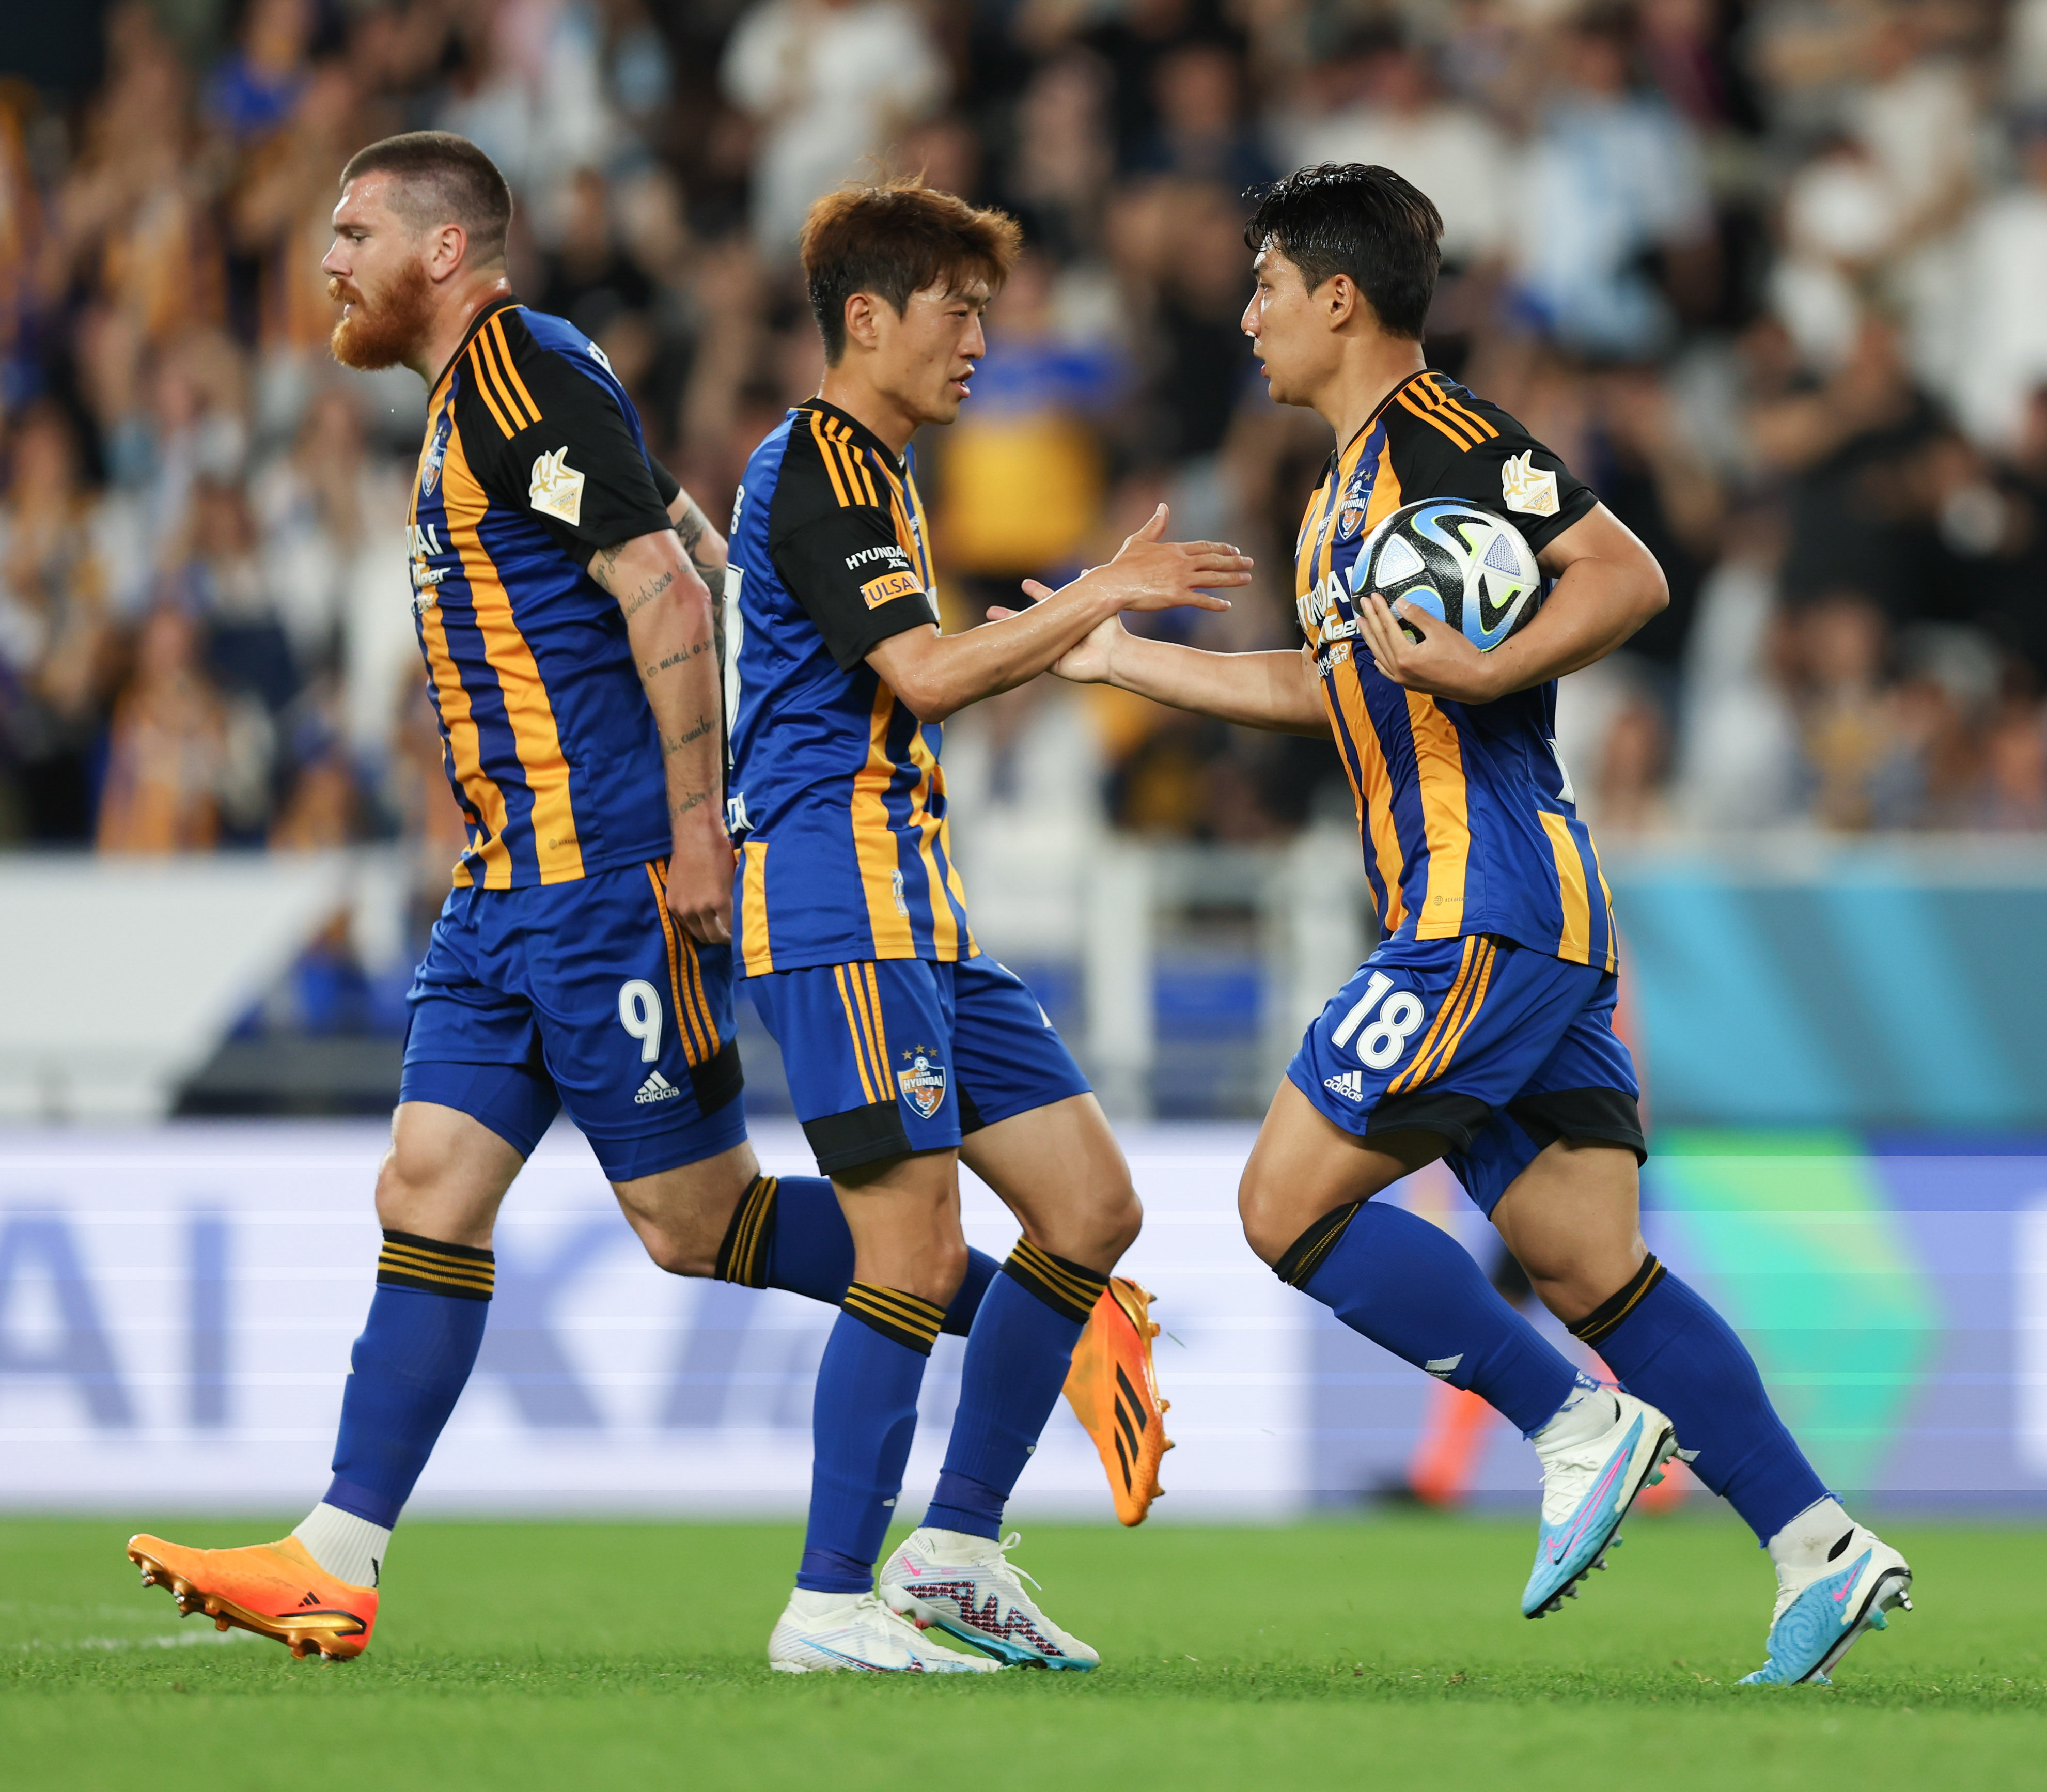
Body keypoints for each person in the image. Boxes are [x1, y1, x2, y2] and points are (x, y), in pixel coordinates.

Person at [121, 134, 1162, 1664]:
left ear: (445, 251)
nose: (329, 262)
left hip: (601, 879)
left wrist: (692, 831)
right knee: (429, 1188)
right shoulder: (498, 394)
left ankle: (1025, 1321)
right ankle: (335, 1558)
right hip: (500, 885)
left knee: (696, 1220)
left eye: (355, 232)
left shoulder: (518, 369)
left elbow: (667, 586)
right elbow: (685, 536)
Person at [1027, 163, 1911, 1684]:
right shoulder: (1337, 493)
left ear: (1338, 299)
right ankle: (1816, 1545)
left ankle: (1572, 1425)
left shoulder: (1444, 437)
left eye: (1264, 288)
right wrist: (1123, 663)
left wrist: (1496, 671)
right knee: (1591, 1268)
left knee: (1281, 1208)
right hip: (1533, 919)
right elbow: (1327, 688)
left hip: (1478, 909)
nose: (1246, 317)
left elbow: (1625, 574)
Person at [731, 177, 1250, 1673]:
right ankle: (827, 1604)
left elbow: (921, 667)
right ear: (867, 318)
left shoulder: (880, 472)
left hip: (920, 907)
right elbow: (926, 675)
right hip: (839, 902)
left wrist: (1064, 622)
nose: (979, 343)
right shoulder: (820, 465)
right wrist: (1100, 597)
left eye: (985, 314)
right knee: (908, 1251)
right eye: (956, 313)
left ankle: (954, 1553)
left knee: (1089, 1209)